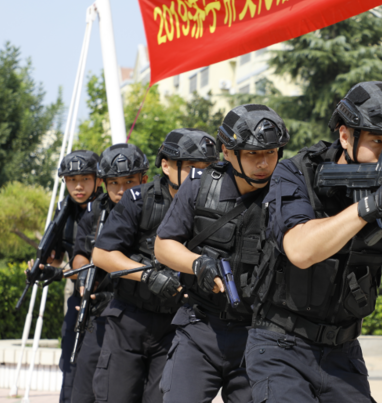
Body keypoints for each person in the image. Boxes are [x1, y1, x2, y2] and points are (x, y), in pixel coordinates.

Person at [246, 81, 382, 402]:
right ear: (345, 135)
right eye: (377, 140)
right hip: (280, 346)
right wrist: (369, 207)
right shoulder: (296, 173)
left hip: (343, 353)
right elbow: (300, 250)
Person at [154, 106, 288, 403]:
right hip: (200, 328)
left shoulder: (290, 192)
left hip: (263, 335)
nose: (264, 163)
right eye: (253, 154)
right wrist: (198, 263)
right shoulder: (198, 185)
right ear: (227, 151)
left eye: (271, 152)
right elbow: (163, 245)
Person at [92, 129, 217, 403]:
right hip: (129, 321)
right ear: (166, 165)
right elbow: (101, 254)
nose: (201, 176)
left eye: (207, 169)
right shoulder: (140, 198)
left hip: (177, 326)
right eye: (193, 167)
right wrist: (147, 275)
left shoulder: (214, 205)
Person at [70, 144, 149, 403]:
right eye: (113, 182)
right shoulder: (95, 211)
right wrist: (82, 277)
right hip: (100, 312)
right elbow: (80, 253)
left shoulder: (155, 207)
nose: (121, 188)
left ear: (143, 179)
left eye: (129, 180)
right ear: (103, 183)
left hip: (141, 313)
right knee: (83, 389)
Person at [28, 150, 102, 403]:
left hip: (110, 300)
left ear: (98, 179)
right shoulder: (64, 210)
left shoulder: (111, 209)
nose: (78, 186)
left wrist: (59, 273)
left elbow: (94, 266)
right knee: (69, 364)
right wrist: (43, 263)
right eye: (71, 180)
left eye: (84, 179)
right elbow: (58, 256)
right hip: (78, 298)